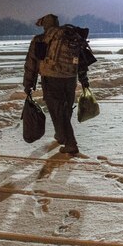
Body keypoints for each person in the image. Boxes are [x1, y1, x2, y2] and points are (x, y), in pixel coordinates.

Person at [23, 14, 91, 155]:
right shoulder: (70, 37)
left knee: (58, 111)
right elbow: (82, 60)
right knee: (65, 109)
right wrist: (84, 80)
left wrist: (28, 84)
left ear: (45, 25)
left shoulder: (40, 39)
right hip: (70, 78)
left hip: (52, 78)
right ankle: (61, 135)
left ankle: (70, 144)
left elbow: (31, 64)